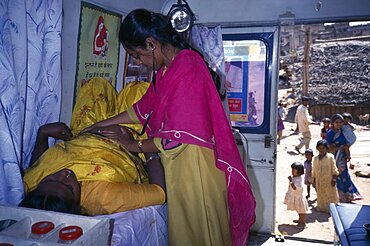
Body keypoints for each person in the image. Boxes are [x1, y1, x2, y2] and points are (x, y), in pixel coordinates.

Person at [81, 9, 256, 246]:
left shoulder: (187, 69)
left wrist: (132, 145)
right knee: (186, 231)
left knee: (198, 233)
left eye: (136, 54)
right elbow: (142, 108)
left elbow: (176, 139)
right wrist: (101, 124)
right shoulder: (167, 70)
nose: (137, 62)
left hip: (196, 168)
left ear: (151, 43)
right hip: (181, 164)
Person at [20, 77, 166, 215]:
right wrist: (140, 146)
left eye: (50, 179)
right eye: (68, 186)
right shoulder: (105, 198)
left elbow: (35, 171)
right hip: (128, 138)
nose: (63, 174)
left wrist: (43, 134)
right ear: (77, 207)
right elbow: (159, 192)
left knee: (95, 85)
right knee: (139, 90)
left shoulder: (37, 190)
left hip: (86, 132)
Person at [326, 114, 363, 202]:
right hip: (334, 157)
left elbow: (347, 143)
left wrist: (348, 155)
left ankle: (349, 195)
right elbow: (328, 147)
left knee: (344, 175)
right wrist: (338, 148)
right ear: (333, 123)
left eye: (341, 122)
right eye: (337, 122)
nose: (339, 124)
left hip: (342, 156)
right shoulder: (330, 133)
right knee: (335, 174)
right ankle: (338, 195)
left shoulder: (344, 131)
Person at [311, 140, 339, 213]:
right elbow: (313, 170)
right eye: (319, 148)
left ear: (326, 148)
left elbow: (334, 169)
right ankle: (322, 208)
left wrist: (334, 179)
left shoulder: (330, 158)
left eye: (323, 148)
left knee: (330, 194)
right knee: (321, 194)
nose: (321, 150)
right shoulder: (315, 158)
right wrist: (313, 180)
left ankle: (332, 209)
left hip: (329, 180)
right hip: (319, 180)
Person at [284, 162, 309, 229]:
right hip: (295, 197)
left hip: (299, 198)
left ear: (299, 171)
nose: (292, 171)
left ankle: (302, 223)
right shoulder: (295, 177)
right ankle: (300, 220)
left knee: (301, 211)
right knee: (299, 210)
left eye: (293, 170)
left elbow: (295, 188)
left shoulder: (299, 180)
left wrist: (291, 181)